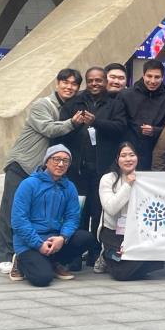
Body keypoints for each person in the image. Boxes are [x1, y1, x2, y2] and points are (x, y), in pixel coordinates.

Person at [0, 68, 83, 275]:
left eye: (74, 84)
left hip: (43, 170)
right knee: (10, 211)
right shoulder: (43, 104)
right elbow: (49, 129)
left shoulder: (69, 107)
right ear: (57, 83)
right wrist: (73, 123)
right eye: (65, 82)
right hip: (23, 164)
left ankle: (32, 252)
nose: (69, 87)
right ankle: (4, 255)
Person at [57, 66, 125, 270]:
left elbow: (120, 128)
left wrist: (98, 122)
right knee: (77, 212)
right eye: (91, 80)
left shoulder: (115, 103)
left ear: (105, 81)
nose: (95, 83)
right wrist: (75, 123)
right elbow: (61, 129)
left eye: (99, 80)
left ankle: (95, 252)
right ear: (87, 82)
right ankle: (74, 254)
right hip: (77, 169)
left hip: (101, 169)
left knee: (98, 212)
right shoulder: (75, 102)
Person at [10, 145, 93, 286]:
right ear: (46, 161)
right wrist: (38, 244)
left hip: (55, 239)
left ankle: (55, 262)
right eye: (56, 159)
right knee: (42, 278)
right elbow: (19, 220)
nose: (61, 164)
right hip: (30, 242)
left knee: (86, 238)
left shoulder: (69, 187)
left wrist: (63, 237)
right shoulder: (29, 184)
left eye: (65, 161)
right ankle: (19, 260)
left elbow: (72, 217)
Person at [98, 142, 162, 280]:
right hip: (112, 231)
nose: (128, 159)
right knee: (121, 274)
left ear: (137, 157)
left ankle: (131, 259)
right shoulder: (108, 179)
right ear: (117, 159)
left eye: (132, 155)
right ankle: (105, 256)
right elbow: (111, 208)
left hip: (137, 232)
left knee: (157, 262)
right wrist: (128, 184)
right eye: (123, 155)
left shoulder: (146, 179)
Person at [118, 59, 165, 171]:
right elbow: (120, 123)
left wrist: (154, 131)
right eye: (149, 76)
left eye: (157, 77)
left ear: (163, 77)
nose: (152, 81)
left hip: (156, 152)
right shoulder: (126, 95)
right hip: (128, 151)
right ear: (143, 75)